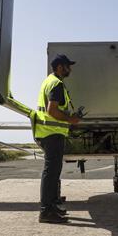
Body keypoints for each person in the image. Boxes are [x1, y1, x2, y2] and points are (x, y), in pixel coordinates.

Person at [35, 54, 80, 223]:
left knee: (53, 172)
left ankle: (52, 207)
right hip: (51, 133)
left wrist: (68, 116)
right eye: (68, 66)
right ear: (60, 67)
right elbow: (52, 110)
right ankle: (46, 211)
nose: (70, 69)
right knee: (51, 172)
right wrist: (71, 119)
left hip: (48, 132)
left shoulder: (48, 81)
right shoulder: (57, 84)